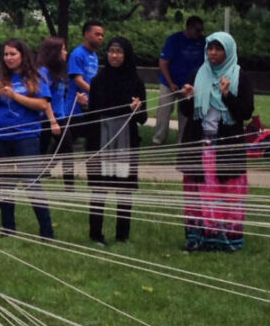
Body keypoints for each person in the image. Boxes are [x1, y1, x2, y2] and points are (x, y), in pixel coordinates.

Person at [176, 31, 255, 252]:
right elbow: (185, 111)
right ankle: (198, 238)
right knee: (198, 193)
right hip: (200, 144)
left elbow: (246, 112)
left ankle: (225, 240)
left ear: (228, 51)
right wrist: (188, 97)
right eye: (210, 48)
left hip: (226, 147)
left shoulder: (240, 76)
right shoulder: (197, 74)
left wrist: (227, 95)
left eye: (218, 49)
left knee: (225, 191)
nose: (213, 53)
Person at [0, 37, 55, 237]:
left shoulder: (35, 78)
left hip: (26, 137)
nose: (9, 58)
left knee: (31, 181)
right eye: (6, 54)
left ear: (23, 55)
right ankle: (8, 228)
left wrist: (15, 96)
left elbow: (42, 105)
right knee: (4, 182)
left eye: (13, 54)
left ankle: (46, 231)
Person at [83, 37, 146, 245]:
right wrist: (85, 106)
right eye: (111, 51)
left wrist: (138, 108)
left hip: (125, 141)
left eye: (119, 52)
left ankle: (122, 235)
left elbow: (143, 119)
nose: (114, 56)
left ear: (126, 55)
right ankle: (95, 233)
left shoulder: (136, 82)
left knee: (124, 190)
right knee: (99, 188)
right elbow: (92, 114)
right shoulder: (98, 81)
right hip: (100, 140)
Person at [154, 16, 207, 146]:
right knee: (164, 110)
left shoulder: (204, 42)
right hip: (170, 81)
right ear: (188, 28)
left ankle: (182, 140)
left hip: (190, 84)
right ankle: (158, 139)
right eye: (197, 30)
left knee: (185, 113)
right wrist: (170, 82)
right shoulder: (174, 40)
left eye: (201, 30)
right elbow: (163, 62)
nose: (199, 33)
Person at [36, 36, 80, 191]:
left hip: (59, 117)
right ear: (55, 52)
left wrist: (77, 98)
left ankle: (69, 187)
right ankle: (36, 179)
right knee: (42, 150)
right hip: (48, 119)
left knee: (67, 150)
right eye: (63, 49)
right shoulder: (43, 72)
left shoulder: (59, 71)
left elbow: (60, 94)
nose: (66, 52)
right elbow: (44, 98)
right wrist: (52, 120)